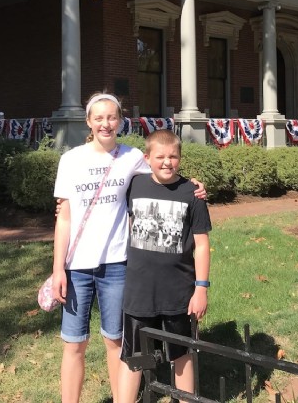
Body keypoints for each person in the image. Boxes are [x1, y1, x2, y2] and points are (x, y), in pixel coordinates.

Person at [51, 93, 205, 403]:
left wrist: (193, 185)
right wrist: (58, 269)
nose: (105, 123)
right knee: (73, 344)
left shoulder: (132, 156)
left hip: (117, 265)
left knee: (115, 340)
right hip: (76, 266)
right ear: (89, 122)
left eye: (112, 117)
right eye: (99, 118)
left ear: (120, 121)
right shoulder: (71, 160)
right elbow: (64, 218)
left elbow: (164, 169)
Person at [117, 129, 211, 403]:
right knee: (134, 356)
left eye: (173, 157)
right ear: (147, 158)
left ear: (180, 158)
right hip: (139, 291)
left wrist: (201, 288)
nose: (167, 162)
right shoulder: (133, 185)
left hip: (178, 292)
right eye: (160, 157)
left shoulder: (192, 193)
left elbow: (202, 245)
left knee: (181, 354)